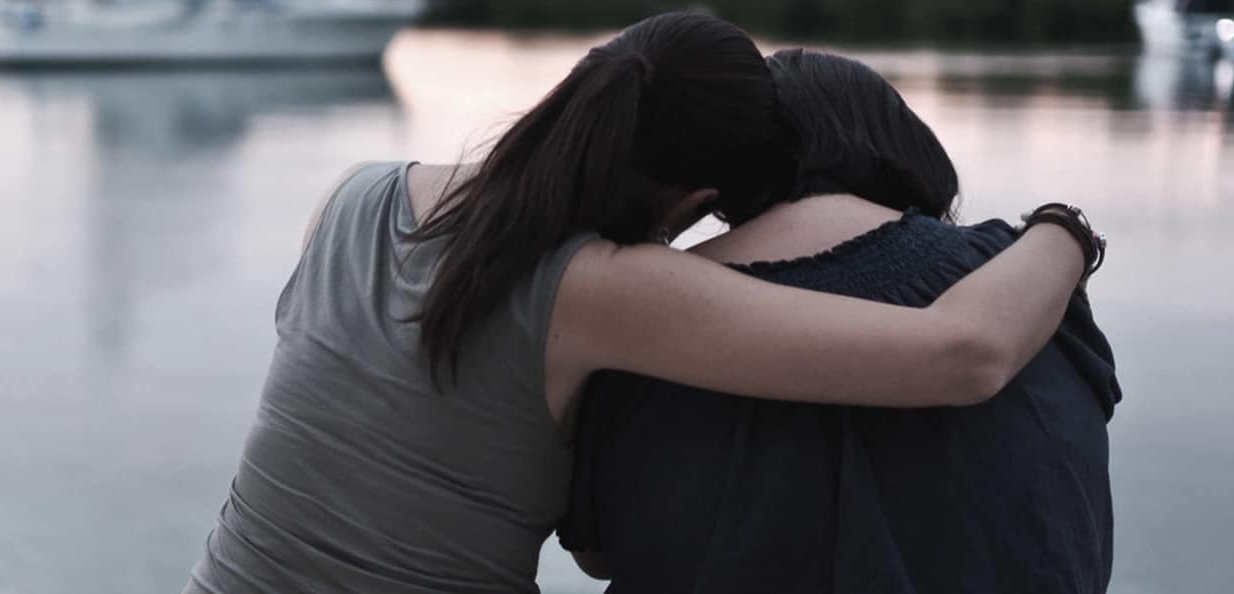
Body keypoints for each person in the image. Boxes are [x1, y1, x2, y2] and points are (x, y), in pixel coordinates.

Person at [184, 14, 1106, 594]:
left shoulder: (353, 196)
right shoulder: (608, 289)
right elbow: (964, 354)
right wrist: (1063, 230)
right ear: (698, 200)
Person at [559, 49, 1122, 594]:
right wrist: (1064, 228)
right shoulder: (1024, 280)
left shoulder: (636, 310)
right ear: (900, 139)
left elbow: (599, 551)